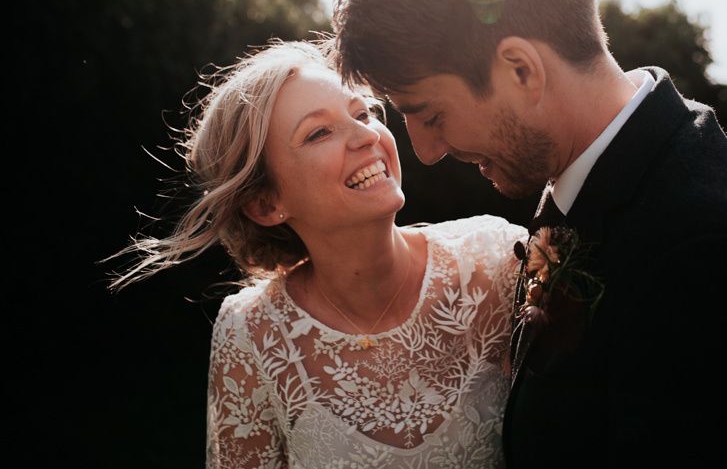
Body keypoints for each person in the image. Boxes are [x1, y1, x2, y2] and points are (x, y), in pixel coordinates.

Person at [332, 0, 727, 467]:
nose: (428, 151)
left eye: (431, 114)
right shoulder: (589, 179)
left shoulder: (700, 243)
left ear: (521, 69)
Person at [112, 40, 527, 468]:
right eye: (319, 132)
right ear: (267, 204)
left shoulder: (496, 258)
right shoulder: (251, 334)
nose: (367, 135)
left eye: (362, 113)